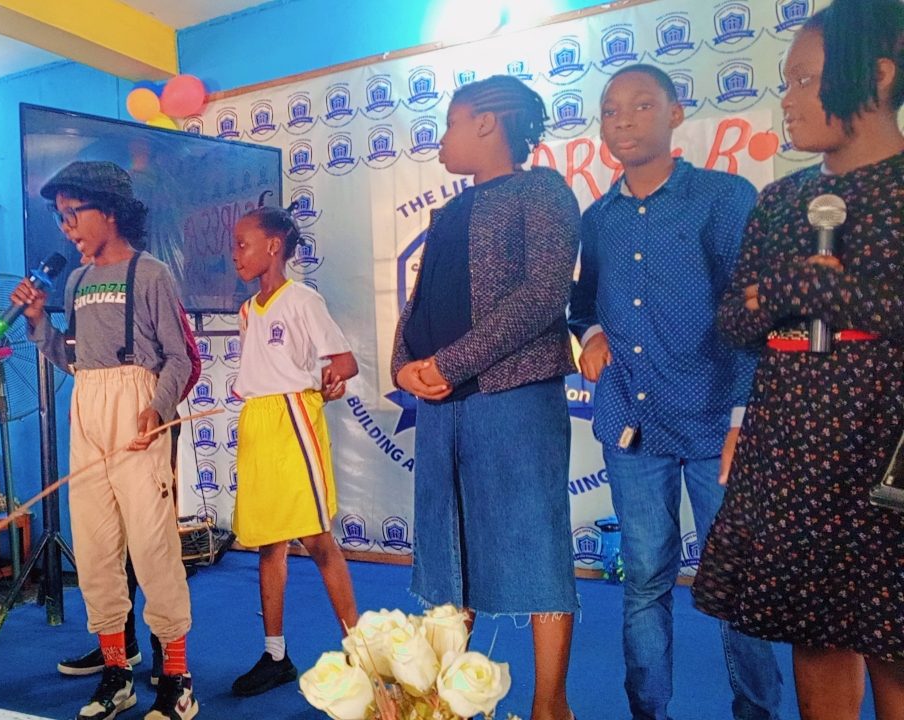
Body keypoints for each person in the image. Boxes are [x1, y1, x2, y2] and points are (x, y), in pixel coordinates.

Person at [692, 2, 904, 718]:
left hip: (887, 447)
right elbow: (734, 321)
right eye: (787, 83)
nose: (788, 99)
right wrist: (785, 292)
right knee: (814, 631)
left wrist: (834, 293)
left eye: (806, 81)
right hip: (795, 447)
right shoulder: (782, 201)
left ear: (879, 75)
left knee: (895, 639)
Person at [568, 64, 781, 720]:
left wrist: (744, 416)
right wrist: (592, 335)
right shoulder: (598, 218)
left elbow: (752, 314)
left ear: (675, 113)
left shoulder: (723, 198)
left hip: (719, 423)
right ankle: (648, 710)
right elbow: (581, 303)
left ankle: (756, 711)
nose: (623, 121)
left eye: (640, 105)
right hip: (633, 425)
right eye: (610, 111)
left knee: (737, 582)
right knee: (644, 580)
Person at [391, 75, 579, 720]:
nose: (441, 139)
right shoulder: (447, 213)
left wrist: (450, 362)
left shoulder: (541, 191)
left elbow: (543, 294)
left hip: (515, 398)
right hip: (442, 406)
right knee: (448, 551)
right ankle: (444, 698)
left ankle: (550, 705)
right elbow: (418, 303)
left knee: (538, 547)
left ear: (486, 123)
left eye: (450, 123)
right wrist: (404, 367)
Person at [11, 160, 197, 720]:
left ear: (110, 211)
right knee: (93, 544)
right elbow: (73, 360)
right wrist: (38, 322)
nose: (66, 227)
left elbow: (179, 357)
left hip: (136, 409)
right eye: (60, 217)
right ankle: (117, 673)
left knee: (152, 544)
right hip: (87, 408)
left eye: (73, 214)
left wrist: (156, 407)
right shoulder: (75, 281)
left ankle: (177, 680)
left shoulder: (151, 273)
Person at [226, 204, 359, 697]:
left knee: (318, 539)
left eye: (243, 244)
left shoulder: (302, 300)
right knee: (269, 542)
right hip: (258, 420)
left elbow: (344, 362)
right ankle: (275, 655)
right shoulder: (247, 311)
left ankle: (360, 653)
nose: (235, 254)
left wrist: (325, 380)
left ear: (273, 246)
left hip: (293, 418)